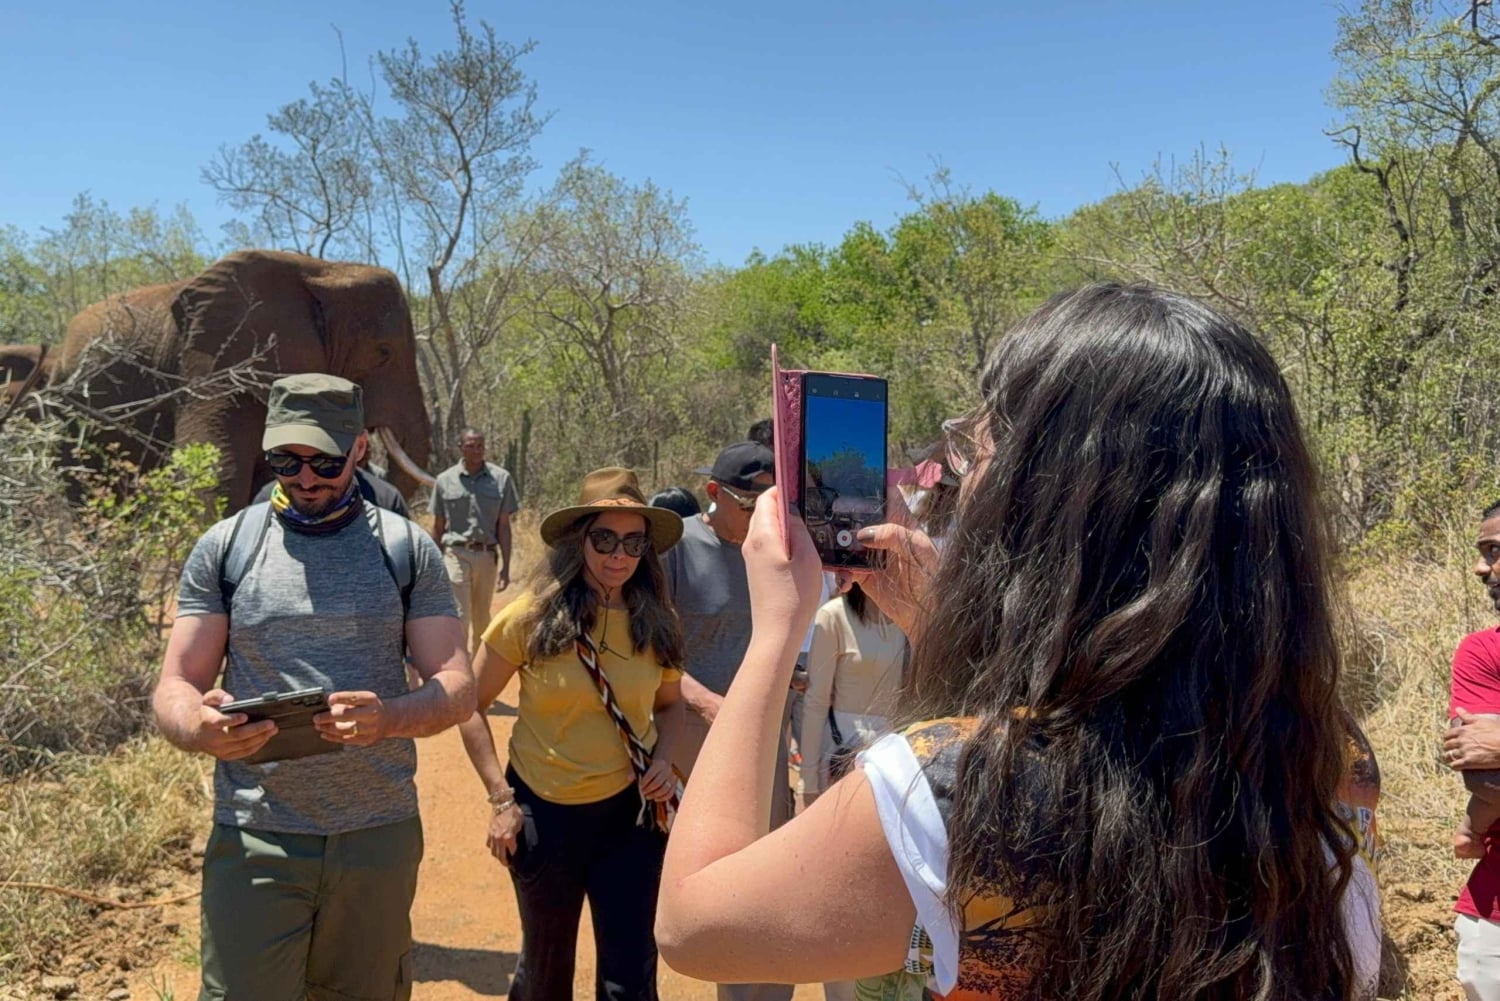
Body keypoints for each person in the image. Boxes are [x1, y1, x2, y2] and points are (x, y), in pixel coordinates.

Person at [656, 284, 1382, 1000]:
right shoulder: (1312, 767)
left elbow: (694, 925)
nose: (969, 487)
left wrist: (774, 634)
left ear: (1042, 499)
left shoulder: (960, 788)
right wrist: (950, 632)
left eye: (980, 456)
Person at [151, 373, 474, 1001]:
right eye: (285, 460)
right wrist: (197, 725)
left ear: (358, 449)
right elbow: (176, 683)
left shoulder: (406, 549)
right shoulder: (227, 547)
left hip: (375, 834)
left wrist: (392, 718)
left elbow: (456, 686)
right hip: (255, 834)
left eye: (325, 461)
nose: (304, 478)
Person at [456, 467, 686, 1001]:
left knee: (630, 979)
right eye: (604, 538)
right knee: (545, 974)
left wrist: (663, 759)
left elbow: (670, 706)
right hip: (544, 814)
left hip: (629, 818)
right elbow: (468, 706)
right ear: (578, 540)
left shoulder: (657, 622)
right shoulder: (529, 618)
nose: (618, 554)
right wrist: (500, 799)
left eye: (633, 542)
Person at [665, 440, 793, 1001]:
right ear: (713, 494)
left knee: (767, 875)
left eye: (771, 500)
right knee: (704, 880)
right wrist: (705, 703)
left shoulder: (776, 550)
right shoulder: (675, 549)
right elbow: (655, 653)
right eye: (749, 502)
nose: (761, 514)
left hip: (765, 735)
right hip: (696, 733)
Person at [1441, 499, 1500, 999]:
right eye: (1482, 551)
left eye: (1495, 551)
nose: (1482, 568)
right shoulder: (1481, 652)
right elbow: (1485, 778)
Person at [431, 427, 520, 651]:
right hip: (456, 553)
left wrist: (506, 567)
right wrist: (432, 566)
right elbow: (438, 526)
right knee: (460, 616)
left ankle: (478, 673)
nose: (477, 450)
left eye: (480, 445)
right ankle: (459, 668)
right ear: (460, 448)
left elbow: (504, 526)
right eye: (471, 446)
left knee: (482, 619)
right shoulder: (444, 481)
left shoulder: (501, 479)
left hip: (486, 555)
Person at [252, 455, 409, 516]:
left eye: (325, 462)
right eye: (288, 460)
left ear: (359, 446)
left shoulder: (385, 500)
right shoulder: (264, 505)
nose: (307, 483)